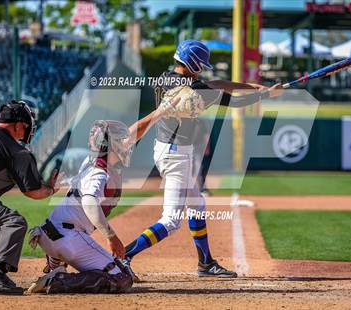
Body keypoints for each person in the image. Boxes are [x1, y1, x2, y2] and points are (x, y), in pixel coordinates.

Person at [123, 40, 283, 279]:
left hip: (169, 149)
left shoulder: (166, 77)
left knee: (197, 205)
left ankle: (205, 263)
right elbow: (231, 101)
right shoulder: (193, 92)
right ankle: (123, 257)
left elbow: (218, 84)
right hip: (176, 154)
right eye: (200, 65)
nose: (203, 69)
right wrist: (264, 96)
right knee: (171, 220)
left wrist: (254, 87)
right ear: (192, 63)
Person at [27, 100, 179, 294]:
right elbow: (90, 201)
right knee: (122, 278)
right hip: (68, 239)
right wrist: (111, 236)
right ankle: (58, 279)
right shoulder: (100, 172)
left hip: (53, 235)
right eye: (119, 141)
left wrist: (159, 113)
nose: (126, 144)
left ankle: (55, 263)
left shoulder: (92, 162)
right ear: (110, 144)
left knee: (118, 269)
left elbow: (134, 133)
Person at [0, 100, 60, 295]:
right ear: (19, 125)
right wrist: (51, 189)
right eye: (27, 124)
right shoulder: (17, 151)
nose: (28, 129)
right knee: (13, 222)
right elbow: (33, 191)